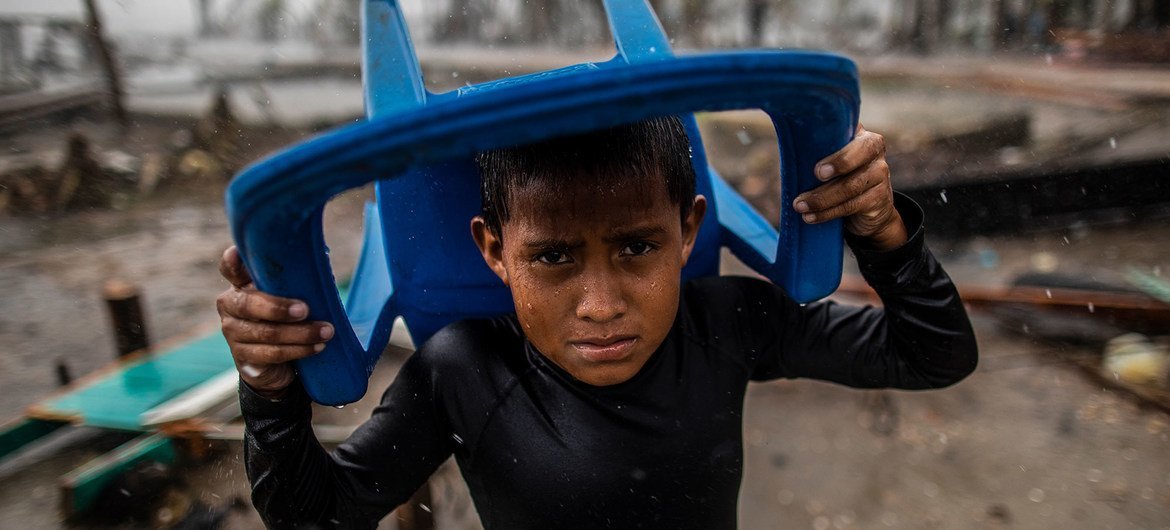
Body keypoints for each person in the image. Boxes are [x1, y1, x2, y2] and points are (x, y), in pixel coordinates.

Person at [217, 116, 977, 529]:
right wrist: (269, 385)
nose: (601, 304)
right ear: (494, 250)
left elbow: (931, 355)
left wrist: (885, 238)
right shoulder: (464, 369)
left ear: (688, 229)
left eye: (637, 247)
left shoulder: (728, 319)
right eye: (552, 257)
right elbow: (311, 513)